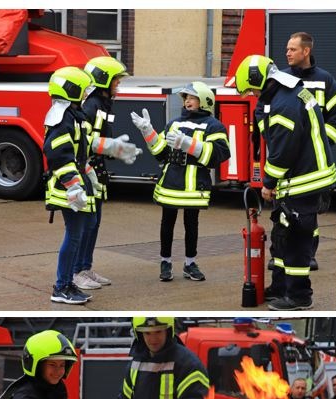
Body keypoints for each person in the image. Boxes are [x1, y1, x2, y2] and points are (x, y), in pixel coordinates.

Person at [234, 54, 336, 310]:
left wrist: (268, 183)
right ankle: (281, 288)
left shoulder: (283, 104)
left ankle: (299, 296)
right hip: (305, 178)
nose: (251, 95)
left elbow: (282, 152)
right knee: (282, 235)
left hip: (303, 181)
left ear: (258, 80)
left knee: (295, 240)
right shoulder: (289, 93)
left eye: (250, 89)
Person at [44, 67, 140, 305]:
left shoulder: (72, 115)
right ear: (71, 90)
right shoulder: (61, 118)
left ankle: (69, 282)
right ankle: (62, 286)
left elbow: (86, 143)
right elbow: (59, 155)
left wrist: (113, 147)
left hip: (77, 184)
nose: (87, 94)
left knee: (83, 229)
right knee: (74, 236)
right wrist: (74, 186)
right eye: (83, 90)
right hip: (67, 188)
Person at [131, 82, 230, 283]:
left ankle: (190, 263)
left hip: (194, 185)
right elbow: (160, 152)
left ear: (204, 101)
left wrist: (189, 145)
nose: (187, 101)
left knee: (191, 224)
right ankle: (165, 262)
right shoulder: (174, 123)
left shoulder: (214, 125)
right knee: (167, 223)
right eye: (185, 98)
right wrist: (148, 132)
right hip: (172, 181)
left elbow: (221, 153)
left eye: (191, 98)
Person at [284, 31, 336, 271]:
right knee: (282, 209)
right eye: (287, 49)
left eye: (293, 49)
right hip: (286, 157)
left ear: (306, 51)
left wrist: (319, 143)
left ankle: (308, 254)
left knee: (308, 211)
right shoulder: (281, 79)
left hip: (312, 162)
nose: (287, 53)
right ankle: (282, 254)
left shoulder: (325, 81)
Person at [76, 56, 131, 291]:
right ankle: (76, 272)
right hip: (87, 170)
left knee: (94, 223)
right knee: (85, 224)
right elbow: (83, 141)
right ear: (104, 80)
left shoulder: (104, 104)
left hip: (97, 170)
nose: (118, 85)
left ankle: (86, 268)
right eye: (116, 81)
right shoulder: (91, 106)